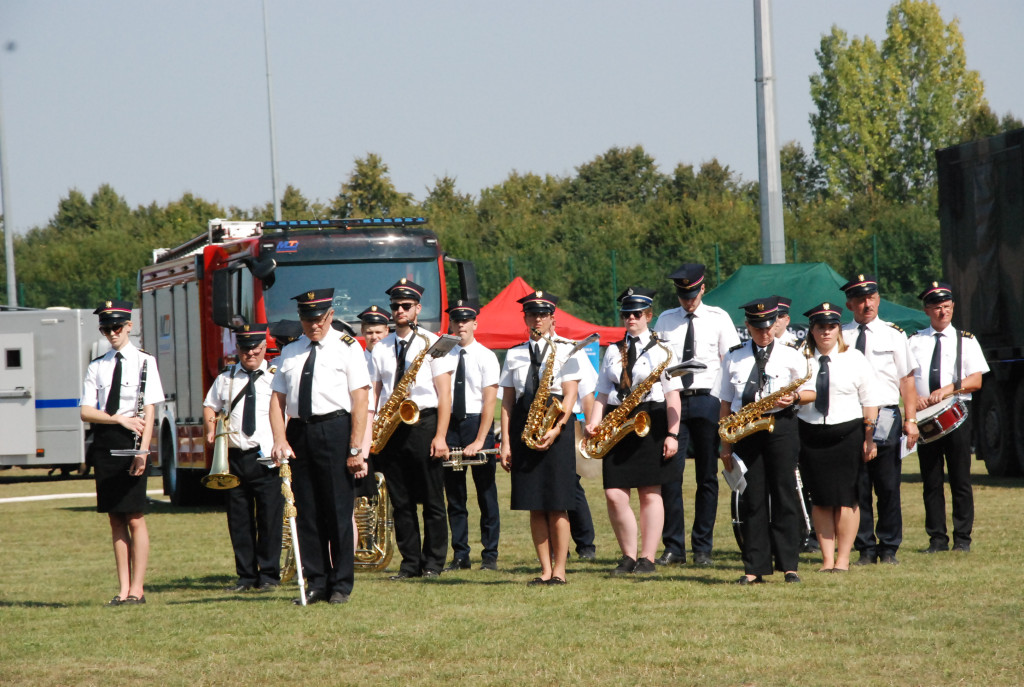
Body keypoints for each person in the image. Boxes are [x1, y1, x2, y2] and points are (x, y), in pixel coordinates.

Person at [269, 288, 370, 605]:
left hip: (335, 429)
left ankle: (340, 584)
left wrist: (355, 447)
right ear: (300, 318)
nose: (313, 325)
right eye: (307, 318)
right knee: (307, 513)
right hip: (300, 432)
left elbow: (361, 399)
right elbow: (277, 400)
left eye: (318, 318)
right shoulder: (291, 352)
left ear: (329, 316)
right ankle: (316, 581)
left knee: (338, 511)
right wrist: (280, 438)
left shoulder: (347, 348)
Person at [585, 287, 681, 576]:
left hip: (650, 419)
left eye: (637, 314)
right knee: (614, 493)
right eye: (626, 313)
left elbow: (673, 395)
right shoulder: (613, 350)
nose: (630, 318)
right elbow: (602, 394)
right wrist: (594, 422)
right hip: (618, 419)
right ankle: (628, 555)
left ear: (649, 316)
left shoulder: (664, 349)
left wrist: (673, 434)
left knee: (650, 492)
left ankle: (647, 558)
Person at [654, 263, 739, 567]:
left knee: (707, 476)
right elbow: (657, 362)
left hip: (707, 399)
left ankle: (702, 547)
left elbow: (731, 363)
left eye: (692, 293)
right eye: (682, 294)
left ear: (702, 288)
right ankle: (673, 547)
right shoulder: (665, 320)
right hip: (673, 401)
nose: (688, 300)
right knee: (670, 476)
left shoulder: (718, 318)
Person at [80, 300, 164, 606]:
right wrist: (117, 418)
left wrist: (143, 450)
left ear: (129, 326)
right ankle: (123, 588)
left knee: (135, 517)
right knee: (115, 517)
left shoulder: (145, 362)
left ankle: (138, 589)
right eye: (106, 328)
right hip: (106, 440)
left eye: (117, 327)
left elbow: (151, 409)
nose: (112, 333)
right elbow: (86, 411)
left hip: (134, 441)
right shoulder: (97, 365)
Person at [719, 297, 808, 584]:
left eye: (768, 327)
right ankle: (754, 566)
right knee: (752, 498)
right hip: (744, 429)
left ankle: (789, 565)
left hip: (780, 426)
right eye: (758, 328)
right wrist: (725, 443)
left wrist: (793, 397)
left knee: (784, 493)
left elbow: (811, 392)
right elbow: (724, 402)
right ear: (748, 326)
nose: (764, 333)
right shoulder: (733, 356)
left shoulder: (791, 353)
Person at [371, 278, 455, 580]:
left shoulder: (433, 343)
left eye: (406, 306)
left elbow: (445, 394)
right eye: (395, 306)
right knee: (401, 499)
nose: (399, 310)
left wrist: (441, 435)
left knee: (432, 498)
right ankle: (410, 563)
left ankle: (434, 562)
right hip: (392, 426)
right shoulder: (380, 348)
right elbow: (374, 392)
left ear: (417, 308)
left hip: (424, 422)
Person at [499, 290, 582, 585]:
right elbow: (508, 401)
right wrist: (506, 443)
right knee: (534, 502)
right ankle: (544, 569)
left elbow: (571, 393)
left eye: (543, 314)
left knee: (557, 502)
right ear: (525, 317)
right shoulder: (515, 353)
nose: (537, 319)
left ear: (552, 317)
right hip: (525, 425)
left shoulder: (568, 348)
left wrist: (557, 427)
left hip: (555, 423)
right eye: (532, 314)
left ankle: (560, 570)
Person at [840, 274, 920, 566]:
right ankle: (865, 547)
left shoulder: (893, 334)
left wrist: (911, 419)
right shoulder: (841, 336)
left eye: (871, 298)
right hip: (852, 414)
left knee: (887, 483)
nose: (866, 304)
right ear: (850, 303)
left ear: (878, 299)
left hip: (886, 413)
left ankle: (889, 546)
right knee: (858, 484)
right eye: (860, 299)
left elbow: (907, 381)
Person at [796, 302, 881, 572]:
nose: (826, 332)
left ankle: (843, 559)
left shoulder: (854, 358)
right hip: (810, 435)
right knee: (820, 499)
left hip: (847, 435)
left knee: (846, 499)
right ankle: (827, 560)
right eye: (821, 327)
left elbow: (870, 401)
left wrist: (869, 439)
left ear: (838, 329)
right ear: (812, 329)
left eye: (832, 327)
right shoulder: (800, 359)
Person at [202, 324, 283, 592]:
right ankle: (246, 576)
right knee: (239, 520)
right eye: (245, 348)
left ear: (264, 348)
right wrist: (211, 429)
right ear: (237, 349)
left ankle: (269, 575)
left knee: (270, 519)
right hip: (235, 458)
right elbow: (210, 406)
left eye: (256, 348)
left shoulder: (275, 376)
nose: (251, 353)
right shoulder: (226, 378)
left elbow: (288, 411)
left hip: (266, 458)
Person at [909, 282, 988, 554]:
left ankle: (962, 539)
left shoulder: (966, 340)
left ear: (953, 307)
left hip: (957, 416)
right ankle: (937, 539)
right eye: (937, 308)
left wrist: (946, 390)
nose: (943, 312)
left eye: (947, 307)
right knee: (931, 481)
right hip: (925, 419)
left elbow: (976, 380)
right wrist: (913, 399)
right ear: (927, 310)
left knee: (960, 480)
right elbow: (904, 378)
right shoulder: (914, 341)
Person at [442, 300, 501, 571]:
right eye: (456, 320)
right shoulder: (442, 355)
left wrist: (480, 439)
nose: (461, 324)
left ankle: (489, 555)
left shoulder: (486, 356)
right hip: (451, 424)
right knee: (455, 497)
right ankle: (460, 554)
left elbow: (490, 403)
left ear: (475, 324)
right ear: (451, 324)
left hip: (477, 423)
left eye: (466, 320)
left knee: (486, 493)